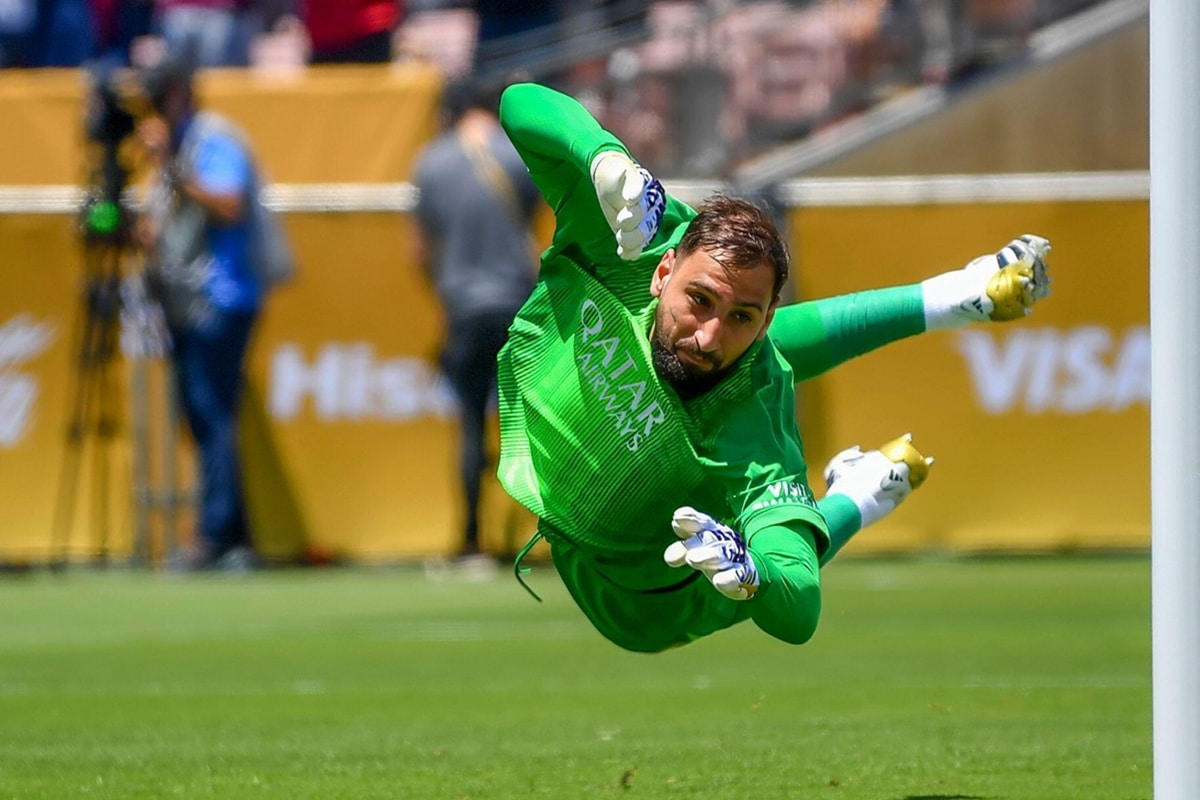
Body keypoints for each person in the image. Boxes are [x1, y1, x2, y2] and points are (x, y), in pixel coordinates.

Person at [495, 81, 1052, 653]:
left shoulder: (755, 434)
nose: (709, 334)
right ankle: (951, 295)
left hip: (645, 596)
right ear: (664, 273)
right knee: (721, 356)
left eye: (743, 316)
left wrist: (755, 578)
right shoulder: (632, 236)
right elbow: (518, 103)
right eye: (700, 300)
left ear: (764, 322)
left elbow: (800, 606)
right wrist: (601, 155)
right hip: (568, 442)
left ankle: (855, 499)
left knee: (753, 444)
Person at [133, 46, 271, 571]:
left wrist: (169, 165)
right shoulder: (182, 142)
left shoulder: (212, 138)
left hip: (222, 295)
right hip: (189, 300)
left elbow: (229, 203)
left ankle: (216, 536)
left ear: (179, 95)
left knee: (211, 412)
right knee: (204, 414)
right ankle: (232, 533)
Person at [411, 79, 540, 567]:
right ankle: (550, 536)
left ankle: (469, 540)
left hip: (464, 308)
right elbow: (534, 225)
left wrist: (447, 290)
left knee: (468, 424)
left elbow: (419, 249)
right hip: (519, 308)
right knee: (532, 426)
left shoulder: (431, 162)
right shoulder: (516, 157)